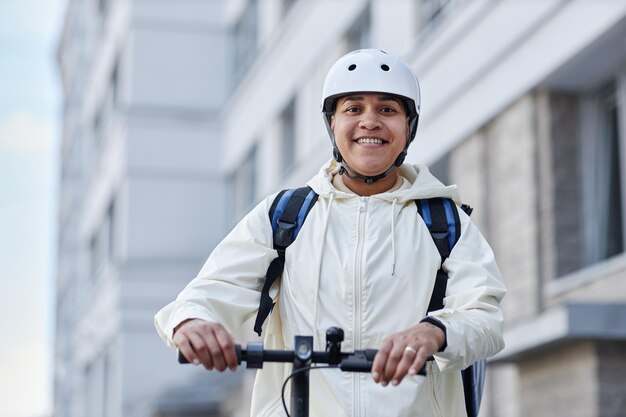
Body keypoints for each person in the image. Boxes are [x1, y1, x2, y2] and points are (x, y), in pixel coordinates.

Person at [155, 48, 506, 417]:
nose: (370, 122)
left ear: (409, 126)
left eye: (387, 110)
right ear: (332, 124)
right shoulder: (286, 216)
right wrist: (191, 320)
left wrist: (433, 332)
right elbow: (213, 289)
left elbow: (484, 316)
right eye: (353, 109)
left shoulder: (445, 220)